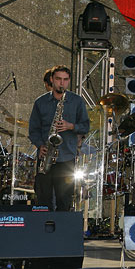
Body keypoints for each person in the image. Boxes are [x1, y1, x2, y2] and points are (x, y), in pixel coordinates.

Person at [28, 65, 90, 211]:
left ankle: (62, 232)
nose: (62, 83)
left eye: (65, 80)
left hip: (66, 158)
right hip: (45, 158)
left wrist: (70, 126)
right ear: (52, 80)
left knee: (64, 200)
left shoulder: (77, 101)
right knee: (43, 201)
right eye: (58, 79)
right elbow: (33, 130)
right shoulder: (40, 102)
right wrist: (39, 145)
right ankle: (44, 231)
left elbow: (86, 126)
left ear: (68, 81)